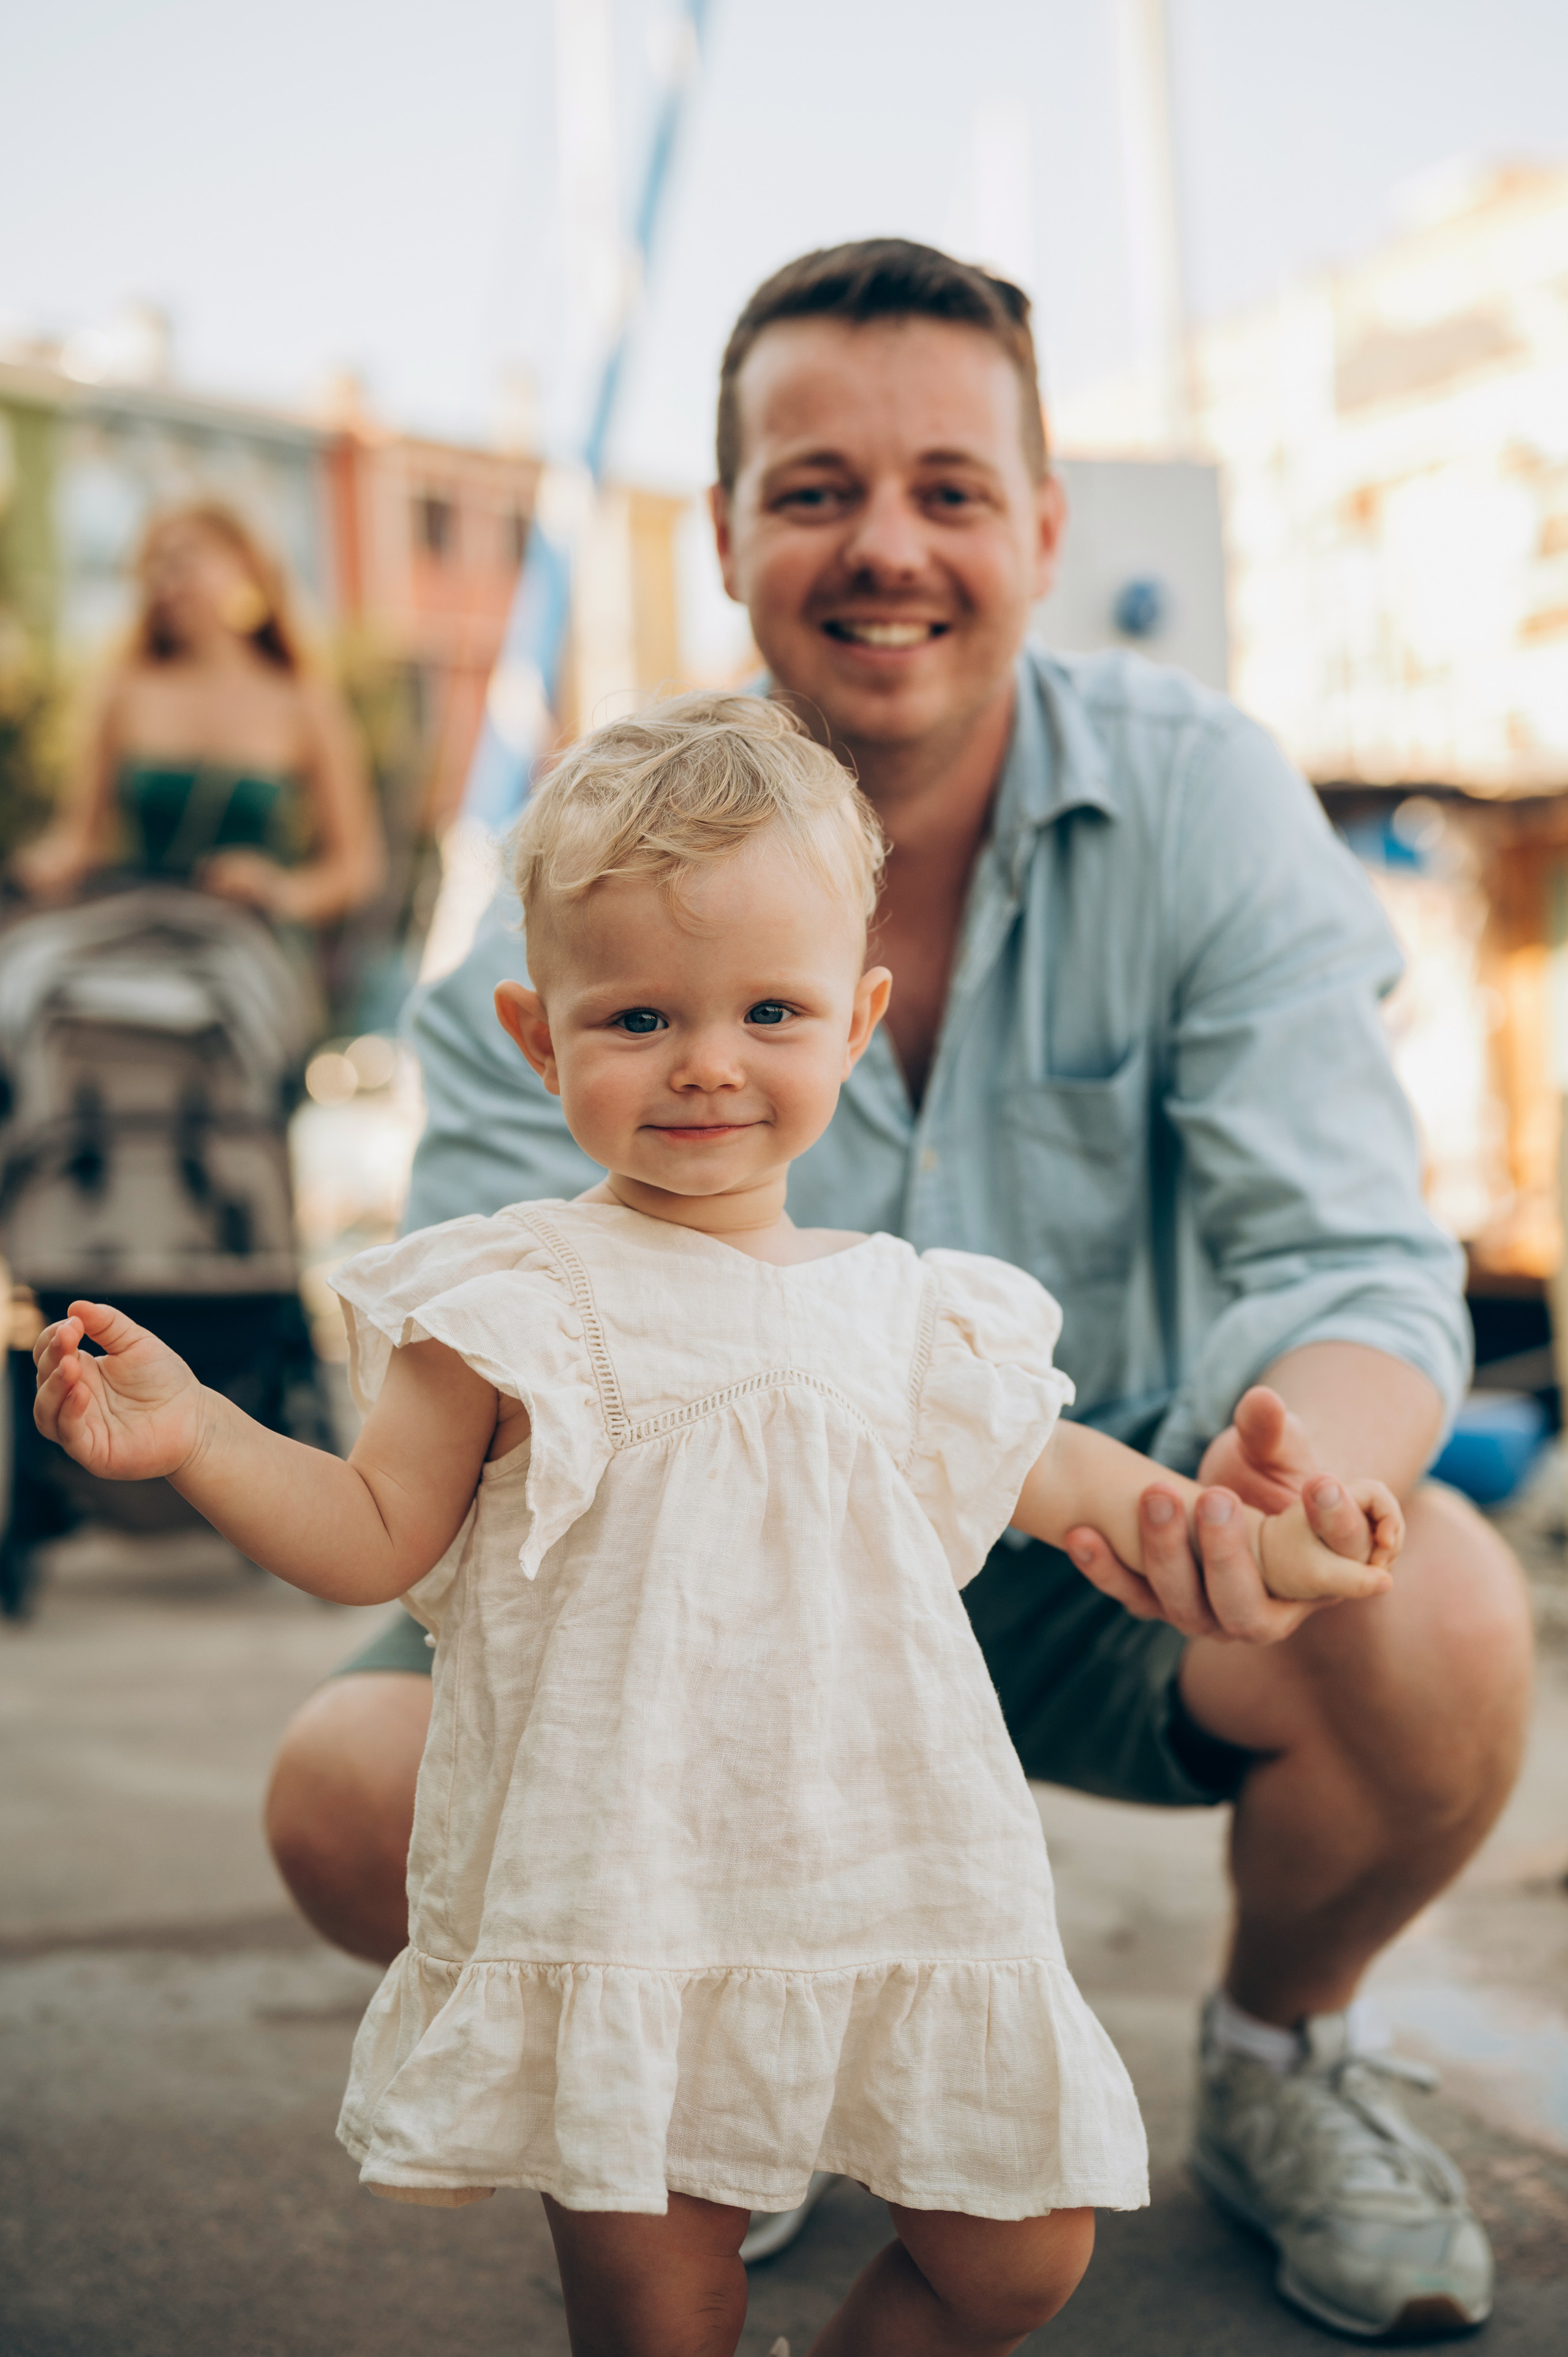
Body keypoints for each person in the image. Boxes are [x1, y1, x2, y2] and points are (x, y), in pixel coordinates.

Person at [265, 243, 1531, 2342]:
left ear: (1045, 524)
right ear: (728, 532)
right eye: (815, 487)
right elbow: (484, 1379)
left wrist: (1277, 1491)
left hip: (1095, 1544)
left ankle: (1284, 2043)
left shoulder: (1200, 791)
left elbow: (1346, 1252)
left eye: (949, 487)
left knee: (1445, 1608)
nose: (886, 545)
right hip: (670, 1618)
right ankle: (701, 2069)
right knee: (344, 1781)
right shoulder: (581, 873)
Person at [34, 698, 1406, 2357]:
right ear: (538, 1039)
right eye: (637, 1015)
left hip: (899, 1881)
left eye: (770, 1009)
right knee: (663, 2303)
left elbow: (1102, 1493)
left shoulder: (912, 1312)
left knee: (1017, 2253)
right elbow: (371, 1528)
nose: (706, 1059)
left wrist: (1277, 1545)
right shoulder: (516, 1297)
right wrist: (200, 1432)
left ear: (855, 1019)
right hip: (636, 1895)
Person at [10, 500, 383, 922]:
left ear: (244, 565)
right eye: (153, 567)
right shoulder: (124, 692)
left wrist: (282, 892)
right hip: (143, 926)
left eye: (181, 562)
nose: (163, 582)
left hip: (250, 935)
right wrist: (42, 867)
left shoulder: (304, 701)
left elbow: (356, 868)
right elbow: (80, 838)